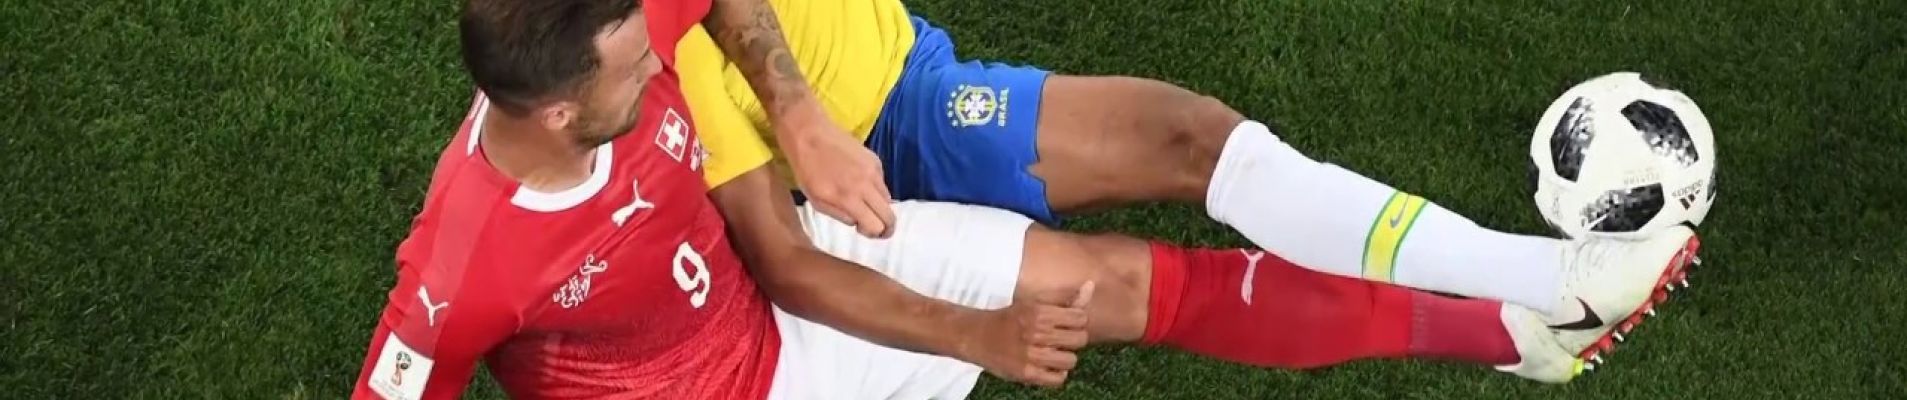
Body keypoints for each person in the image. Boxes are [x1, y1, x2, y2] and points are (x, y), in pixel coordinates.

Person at [351, 0, 1613, 398]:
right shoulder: (461, 266)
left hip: (793, 309)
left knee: (1108, 277)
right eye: (637, 65)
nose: (658, 57)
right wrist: (975, 338)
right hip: (775, 330)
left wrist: (795, 104)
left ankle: (1510, 318)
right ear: (558, 110)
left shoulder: (616, 44)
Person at [681, 0, 1704, 375]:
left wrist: (797, 97)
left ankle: (1533, 312)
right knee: (1146, 284)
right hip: (861, 181)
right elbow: (780, 254)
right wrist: (966, 331)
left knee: (1191, 138)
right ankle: (1540, 299)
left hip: (910, 80)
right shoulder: (640, 53)